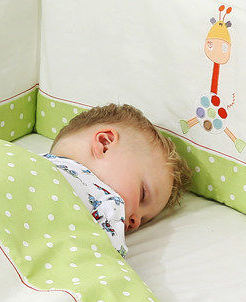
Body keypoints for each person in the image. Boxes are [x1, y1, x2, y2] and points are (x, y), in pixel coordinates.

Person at [44, 104, 192, 257]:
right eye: (142, 195)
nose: (136, 223)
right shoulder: (108, 204)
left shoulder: (102, 223)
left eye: (144, 219)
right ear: (105, 144)